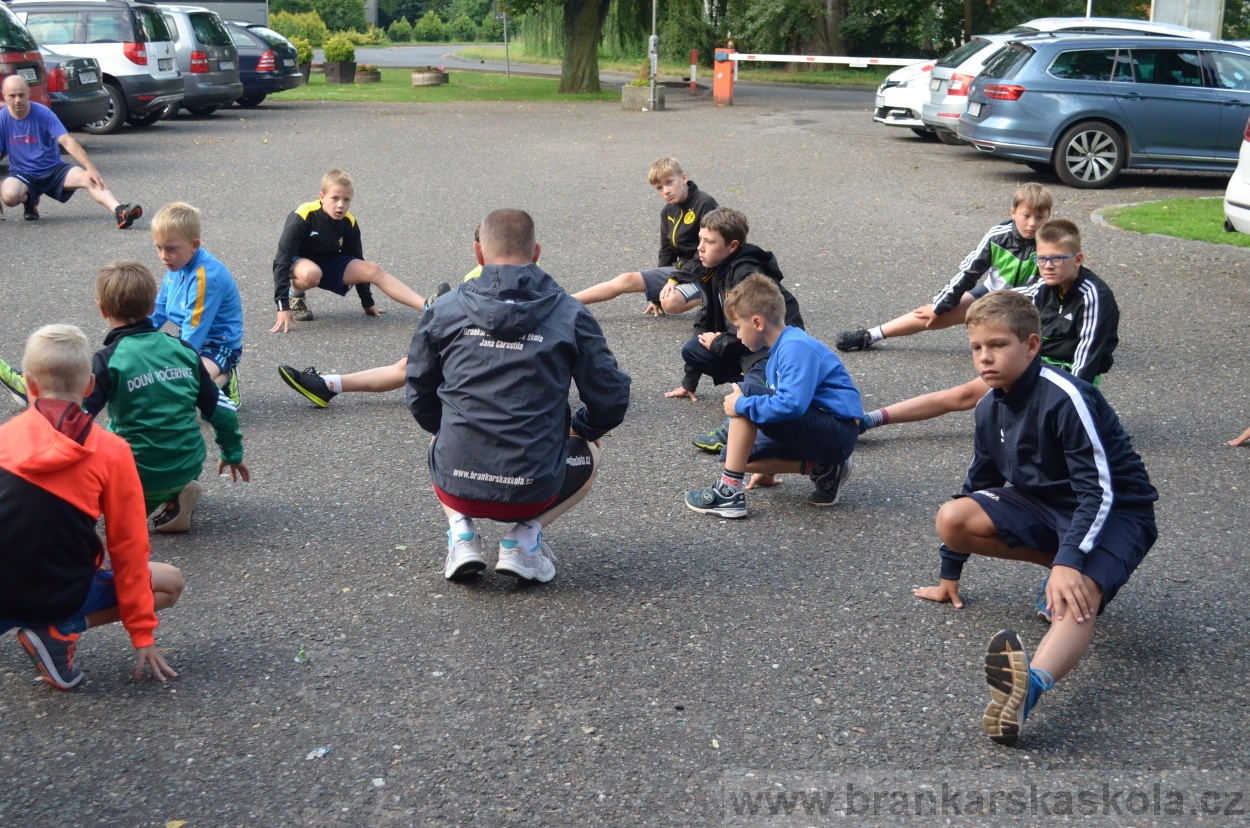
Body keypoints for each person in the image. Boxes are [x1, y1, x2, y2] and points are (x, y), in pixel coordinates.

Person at [912, 290, 1157, 746]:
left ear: (1031, 345)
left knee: (1077, 598)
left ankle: (1028, 691)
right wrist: (950, 572)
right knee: (954, 518)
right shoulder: (989, 406)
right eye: (976, 348)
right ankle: (1064, 568)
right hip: (1043, 503)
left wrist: (1071, 562)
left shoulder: (1067, 397)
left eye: (998, 345)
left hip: (1115, 511)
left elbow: (1099, 492)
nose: (985, 357)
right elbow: (977, 484)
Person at [406, 209, 630, 583]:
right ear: (536, 253)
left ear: (479, 254)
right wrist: (582, 428)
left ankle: (461, 534)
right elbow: (610, 397)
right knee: (589, 451)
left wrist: (443, 426)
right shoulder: (570, 312)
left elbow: (418, 390)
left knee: (440, 433)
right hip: (534, 490)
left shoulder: (443, 308)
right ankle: (523, 541)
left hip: (457, 485)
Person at [0, 324, 183, 690]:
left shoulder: (4, 439)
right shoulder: (112, 451)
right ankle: (60, 630)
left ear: (30, 385)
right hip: (61, 595)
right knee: (169, 583)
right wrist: (141, 633)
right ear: (89, 386)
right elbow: (129, 547)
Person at [860, 219, 1117, 432]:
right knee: (964, 395)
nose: (1047, 266)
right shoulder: (1043, 286)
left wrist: (1066, 408)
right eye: (1041, 259)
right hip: (1038, 363)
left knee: (1039, 427)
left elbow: (1085, 363)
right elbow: (1000, 299)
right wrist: (940, 307)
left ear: (1078, 259)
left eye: (1057, 259)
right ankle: (868, 420)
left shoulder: (1093, 297)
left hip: (1070, 376)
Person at [84, 261, 250, 532]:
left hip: (134, 474)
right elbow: (223, 409)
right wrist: (232, 452)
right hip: (186, 464)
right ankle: (175, 497)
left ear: (102, 309)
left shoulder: (106, 361)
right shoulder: (183, 350)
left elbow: (76, 420)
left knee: (101, 444)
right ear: (153, 306)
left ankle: (129, 505)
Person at [684, 275, 861, 517]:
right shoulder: (778, 351)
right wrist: (767, 469)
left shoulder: (795, 347)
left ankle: (728, 493)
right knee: (732, 456)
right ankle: (824, 467)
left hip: (837, 433)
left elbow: (792, 405)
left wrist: (742, 404)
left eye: (738, 327)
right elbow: (780, 410)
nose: (737, 335)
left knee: (747, 392)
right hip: (821, 432)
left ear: (757, 322)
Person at [835, 183, 1052, 352]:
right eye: (1026, 216)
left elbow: (1045, 287)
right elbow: (968, 273)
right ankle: (870, 335)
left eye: (1039, 217)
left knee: (1020, 347)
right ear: (1013, 212)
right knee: (933, 315)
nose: (1032, 223)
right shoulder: (997, 236)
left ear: (1048, 217)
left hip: (1030, 304)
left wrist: (1001, 302)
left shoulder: (1050, 241)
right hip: (991, 293)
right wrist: (939, 306)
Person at [664, 207, 804, 454]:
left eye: (709, 242)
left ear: (732, 246)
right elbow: (704, 319)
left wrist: (719, 342)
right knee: (693, 349)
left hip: (768, 347)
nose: (700, 248)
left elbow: (754, 331)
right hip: (743, 341)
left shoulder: (747, 274)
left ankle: (734, 426)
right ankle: (759, 387)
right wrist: (689, 382)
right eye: (700, 239)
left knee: (756, 371)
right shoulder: (714, 268)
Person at [271, 169, 428, 333]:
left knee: (372, 269)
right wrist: (282, 307)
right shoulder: (303, 215)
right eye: (335, 198)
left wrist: (367, 302)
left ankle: (428, 307)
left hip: (327, 262)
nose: (341, 205)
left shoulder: (349, 222)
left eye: (346, 200)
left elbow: (356, 259)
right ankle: (294, 294)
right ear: (322, 197)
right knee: (312, 273)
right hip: (297, 262)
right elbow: (283, 260)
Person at [571, 157, 717, 316]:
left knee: (670, 302)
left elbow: (710, 251)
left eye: (669, 182)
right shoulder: (667, 212)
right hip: (681, 271)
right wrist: (657, 295)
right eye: (659, 188)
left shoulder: (705, 203)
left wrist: (675, 279)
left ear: (683, 178)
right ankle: (564, 301)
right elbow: (666, 252)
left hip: (706, 273)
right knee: (626, 279)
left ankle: (714, 296)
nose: (666, 191)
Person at [0, 76, 142, 227]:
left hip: (54, 169)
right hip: (23, 174)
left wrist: (90, 168)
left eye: (21, 95)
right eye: (12, 96)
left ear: (29, 93)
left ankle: (120, 211)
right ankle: (30, 199)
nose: (17, 100)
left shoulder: (43, 113)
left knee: (89, 178)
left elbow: (67, 141)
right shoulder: (2, 119)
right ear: (3, 95)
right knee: (9, 196)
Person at [149, 202, 244, 405]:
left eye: (171, 249)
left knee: (185, 387)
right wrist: (131, 338)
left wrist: (178, 370)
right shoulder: (176, 264)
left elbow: (195, 327)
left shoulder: (205, 277)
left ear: (194, 245)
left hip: (218, 345)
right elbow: (158, 310)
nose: (164, 256)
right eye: (159, 247)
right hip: (189, 338)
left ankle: (227, 376)